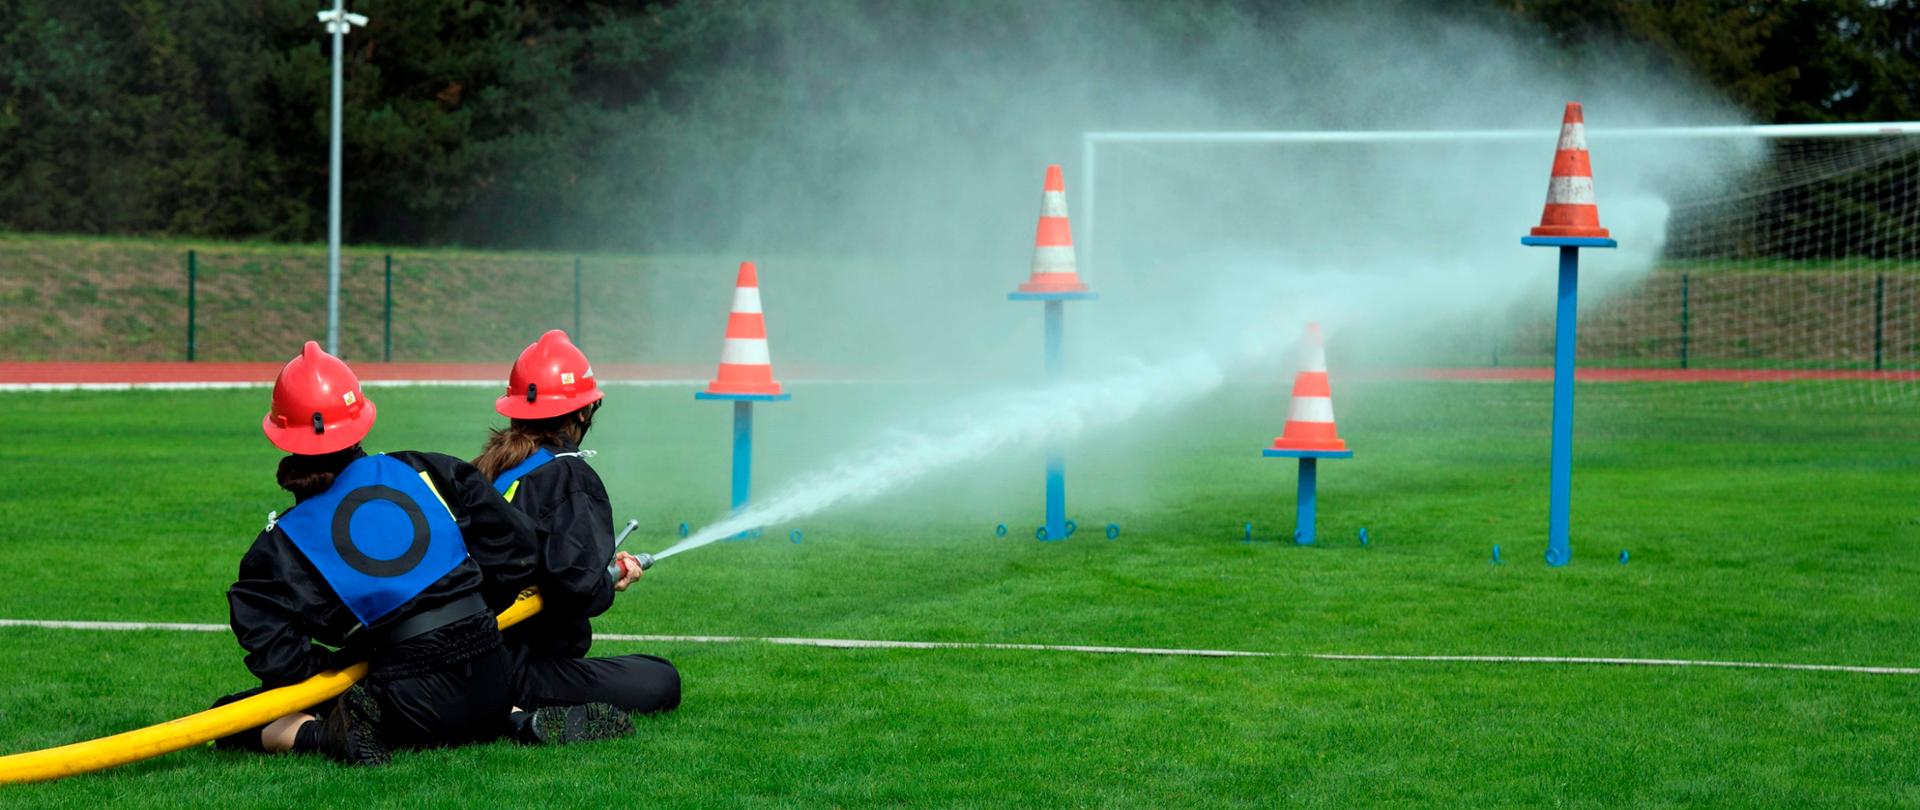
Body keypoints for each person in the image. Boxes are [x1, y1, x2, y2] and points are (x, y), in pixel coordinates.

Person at [214, 341, 627, 766]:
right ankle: (517, 721)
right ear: (360, 419)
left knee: (231, 715)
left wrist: (354, 660)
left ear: (282, 435)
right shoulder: (427, 469)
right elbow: (517, 552)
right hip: (494, 673)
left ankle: (326, 736)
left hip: (408, 696)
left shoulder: (281, 544)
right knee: (467, 702)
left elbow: (279, 658)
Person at [473, 329, 682, 718]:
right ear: (584, 411)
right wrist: (609, 577)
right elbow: (578, 590)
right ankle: (519, 709)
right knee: (661, 679)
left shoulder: (491, 466)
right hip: (515, 666)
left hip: (464, 656)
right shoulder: (568, 477)